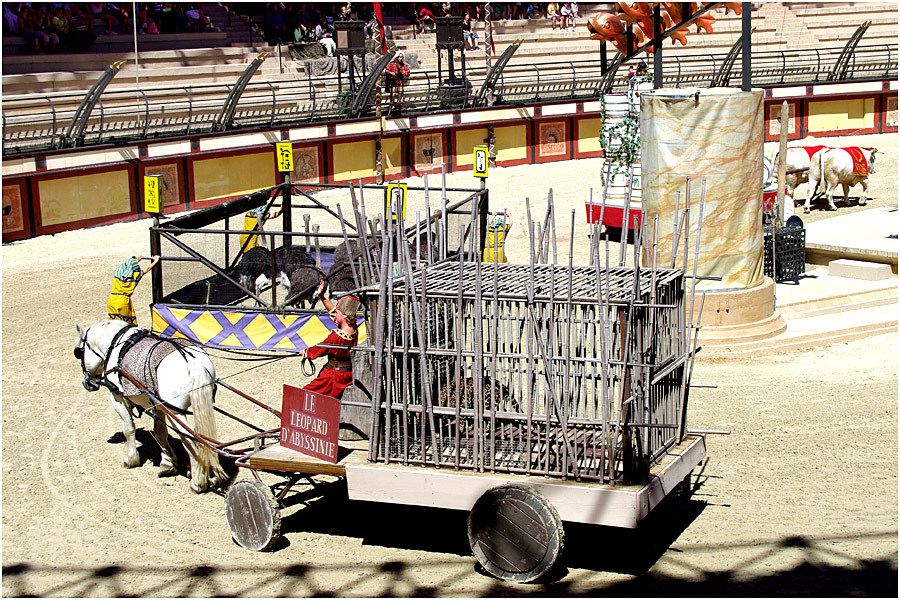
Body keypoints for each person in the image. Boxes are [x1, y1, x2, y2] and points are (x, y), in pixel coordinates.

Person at [301, 282, 360, 399]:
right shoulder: (353, 328)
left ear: (344, 316)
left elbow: (321, 348)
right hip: (346, 374)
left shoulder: (336, 336)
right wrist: (322, 297)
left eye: (337, 312)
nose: (334, 313)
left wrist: (307, 353)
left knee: (305, 394)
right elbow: (333, 310)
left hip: (333, 376)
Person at [107, 255, 159, 326]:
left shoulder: (118, 273)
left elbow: (127, 263)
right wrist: (155, 261)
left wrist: (135, 260)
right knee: (125, 324)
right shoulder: (135, 276)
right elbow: (147, 269)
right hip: (123, 300)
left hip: (112, 299)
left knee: (113, 323)